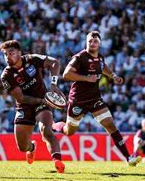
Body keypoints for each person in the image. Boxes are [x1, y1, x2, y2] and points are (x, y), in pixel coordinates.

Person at [52, 31, 140, 166]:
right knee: (69, 132)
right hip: (78, 100)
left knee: (110, 125)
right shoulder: (79, 58)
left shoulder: (100, 58)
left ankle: (128, 158)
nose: (92, 43)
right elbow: (66, 74)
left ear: (99, 44)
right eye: (90, 41)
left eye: (95, 41)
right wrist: (86, 78)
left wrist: (113, 76)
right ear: (86, 42)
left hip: (94, 99)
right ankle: (57, 126)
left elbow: (103, 67)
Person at [0, 40, 65, 173]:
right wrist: (42, 100)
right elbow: (21, 98)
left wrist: (53, 84)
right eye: (5, 54)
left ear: (19, 52)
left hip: (43, 104)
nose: (7, 57)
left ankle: (57, 161)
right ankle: (32, 148)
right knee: (22, 147)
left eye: (10, 53)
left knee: (46, 131)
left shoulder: (32, 59)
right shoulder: (6, 75)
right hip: (25, 106)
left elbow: (55, 63)